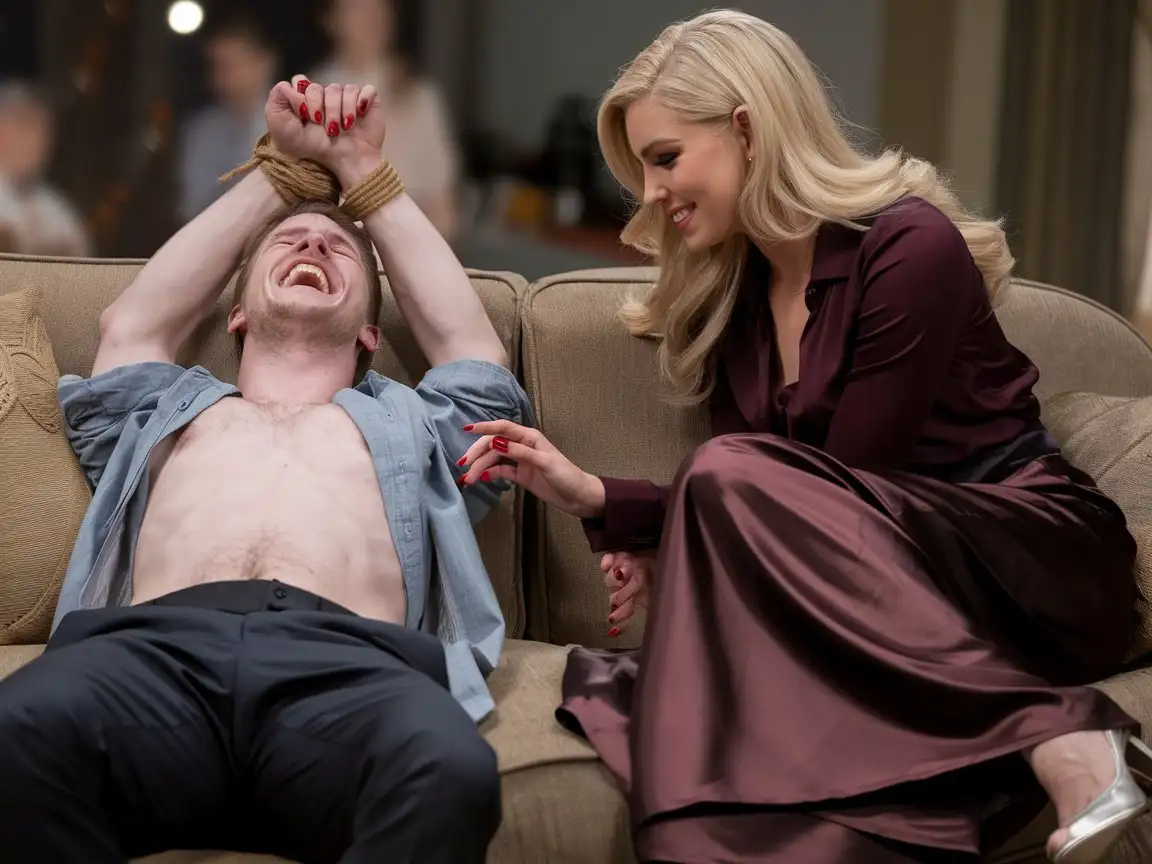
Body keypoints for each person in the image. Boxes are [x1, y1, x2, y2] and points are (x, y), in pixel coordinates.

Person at [455, 10, 1151, 864]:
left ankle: (1061, 734)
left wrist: (647, 514)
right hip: (876, 594)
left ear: (747, 127)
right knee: (684, 710)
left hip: (1022, 560)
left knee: (727, 493)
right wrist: (614, 506)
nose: (649, 191)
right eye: (641, 167)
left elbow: (833, 490)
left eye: (666, 157)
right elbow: (779, 505)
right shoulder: (737, 308)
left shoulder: (907, 246)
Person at [0, 74, 531, 864]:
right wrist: (279, 169)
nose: (314, 242)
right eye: (289, 242)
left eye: (338, 249)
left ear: (368, 335)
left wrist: (360, 168)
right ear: (238, 312)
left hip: (348, 671)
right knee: (13, 735)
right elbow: (134, 324)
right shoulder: (167, 411)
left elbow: (472, 354)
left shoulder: (412, 425)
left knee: (452, 769)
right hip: (154, 658)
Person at [311, 0, 461, 242]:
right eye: (357, 7)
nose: (373, 15)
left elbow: (443, 208)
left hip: (408, 250)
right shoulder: (309, 95)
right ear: (330, 18)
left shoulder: (418, 95)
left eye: (381, 6)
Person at [178, 13, 279, 221]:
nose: (226, 78)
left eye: (235, 64)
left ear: (265, 63)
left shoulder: (298, 123)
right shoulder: (200, 132)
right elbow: (193, 209)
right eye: (219, 66)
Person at [0, 81, 89, 256]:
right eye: (24, 128)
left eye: (43, 132)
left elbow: (80, 254)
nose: (36, 142)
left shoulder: (58, 210)